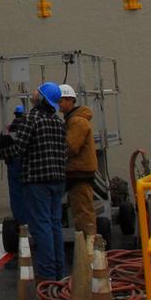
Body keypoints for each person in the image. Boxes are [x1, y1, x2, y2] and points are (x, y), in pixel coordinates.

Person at [0, 82, 67, 279]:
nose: (34, 93)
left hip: (37, 181)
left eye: (38, 91)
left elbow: (19, 148)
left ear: (42, 98)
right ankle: (59, 274)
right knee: (55, 225)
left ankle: (47, 277)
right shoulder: (59, 122)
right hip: (58, 180)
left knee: (41, 227)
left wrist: (1, 152)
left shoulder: (31, 119)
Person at [58, 84, 97, 236]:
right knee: (82, 211)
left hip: (79, 173)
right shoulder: (75, 120)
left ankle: (89, 249)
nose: (58, 105)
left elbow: (71, 146)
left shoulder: (77, 122)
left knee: (83, 213)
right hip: (78, 173)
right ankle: (89, 247)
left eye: (60, 101)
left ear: (70, 100)